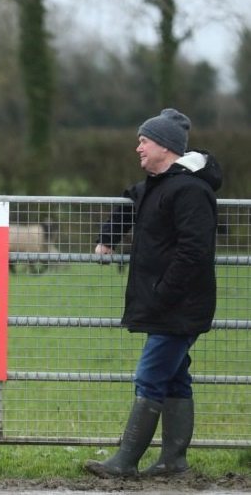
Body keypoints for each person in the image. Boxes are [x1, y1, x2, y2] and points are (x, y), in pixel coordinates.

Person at [85, 108, 222, 478]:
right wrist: (108, 239)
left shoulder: (191, 191)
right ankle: (173, 462)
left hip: (178, 307)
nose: (138, 148)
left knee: (150, 376)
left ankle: (124, 462)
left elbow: (194, 252)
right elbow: (131, 200)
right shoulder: (159, 187)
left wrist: (162, 293)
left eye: (144, 141)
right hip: (168, 305)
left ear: (164, 146)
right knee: (175, 378)